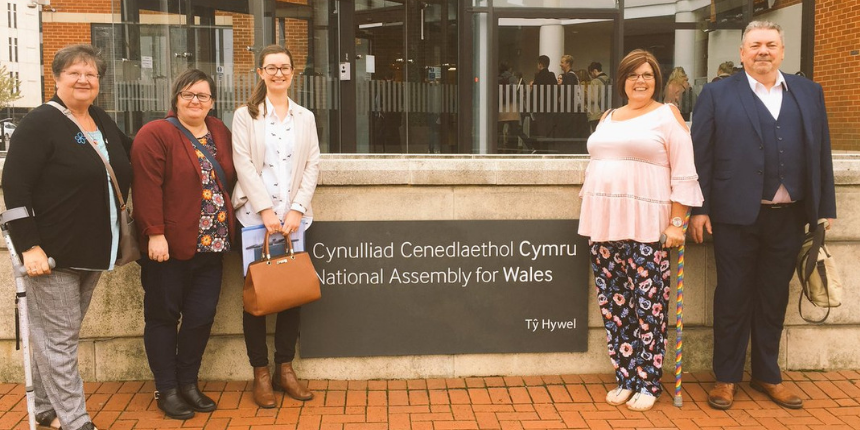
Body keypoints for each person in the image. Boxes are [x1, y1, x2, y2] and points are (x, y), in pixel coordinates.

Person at [690, 20, 836, 411]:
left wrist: (824, 209)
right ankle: (726, 379)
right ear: (742, 53)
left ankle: (768, 375)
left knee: (774, 298)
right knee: (733, 297)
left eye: (771, 44)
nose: (763, 51)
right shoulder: (717, 94)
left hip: (789, 218)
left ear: (782, 51)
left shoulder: (808, 92)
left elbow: (821, 152)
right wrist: (699, 209)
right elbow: (699, 156)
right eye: (755, 45)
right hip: (735, 217)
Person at [1, 44, 132, 430]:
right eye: (74, 72)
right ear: (56, 78)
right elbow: (15, 186)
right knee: (59, 340)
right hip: (53, 255)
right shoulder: (40, 123)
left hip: (94, 252)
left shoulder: (100, 120)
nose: (83, 79)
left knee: (56, 336)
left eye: (91, 74)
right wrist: (29, 246)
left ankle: (45, 407)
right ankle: (75, 421)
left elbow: (133, 154)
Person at [578, 49, 703, 412]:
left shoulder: (668, 116)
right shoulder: (608, 117)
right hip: (603, 223)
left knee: (649, 308)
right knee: (615, 306)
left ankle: (648, 381)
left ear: (657, 81)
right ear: (622, 80)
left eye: (648, 75)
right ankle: (625, 377)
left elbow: (683, 171)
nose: (641, 81)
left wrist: (677, 222)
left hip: (648, 226)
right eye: (634, 75)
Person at [131, 69, 237, 420]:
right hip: (169, 248)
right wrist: (155, 234)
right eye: (188, 94)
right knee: (162, 317)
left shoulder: (219, 130)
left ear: (212, 102)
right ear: (176, 98)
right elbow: (146, 187)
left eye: (202, 96)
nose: (195, 101)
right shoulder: (156, 133)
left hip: (212, 246)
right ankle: (168, 388)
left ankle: (189, 383)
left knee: (200, 317)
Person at [232, 44, 321, 408]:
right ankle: (261, 374)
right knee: (258, 296)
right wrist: (266, 210)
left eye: (284, 67)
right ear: (260, 72)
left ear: (293, 71)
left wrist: (297, 209)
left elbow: (313, 163)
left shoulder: (305, 117)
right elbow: (243, 164)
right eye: (272, 68)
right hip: (256, 220)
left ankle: (286, 369)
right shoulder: (245, 115)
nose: (279, 73)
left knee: (292, 292)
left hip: (294, 221)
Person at [530, 55, 557, 138]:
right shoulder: (552, 76)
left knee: (541, 130)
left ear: (540, 64)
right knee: (549, 130)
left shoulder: (538, 77)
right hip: (551, 107)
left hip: (539, 108)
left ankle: (542, 149)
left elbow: (534, 93)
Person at [587, 61, 611, 132]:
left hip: (596, 114)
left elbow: (592, 98)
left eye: (591, 73)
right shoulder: (609, 79)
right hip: (608, 112)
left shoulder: (594, 82)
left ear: (595, 71)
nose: (591, 76)